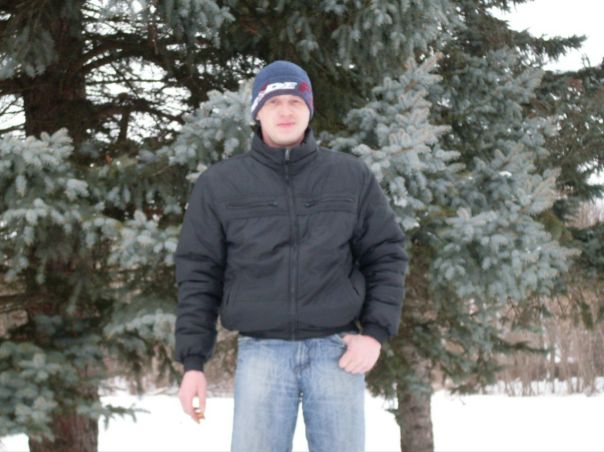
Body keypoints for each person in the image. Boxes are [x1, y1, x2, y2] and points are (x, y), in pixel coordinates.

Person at [174, 60, 407, 452]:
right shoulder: (220, 184)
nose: (285, 111)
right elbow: (198, 274)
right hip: (262, 354)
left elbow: (386, 255)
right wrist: (193, 364)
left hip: (338, 352)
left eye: (295, 102)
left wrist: (374, 334)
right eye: (274, 102)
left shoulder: (350, 177)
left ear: (309, 109)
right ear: (257, 111)